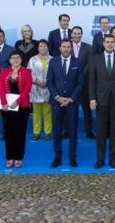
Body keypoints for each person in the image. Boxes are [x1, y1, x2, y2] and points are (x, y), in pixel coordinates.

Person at [89, 34, 115, 169]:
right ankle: (100, 160)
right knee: (100, 132)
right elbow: (91, 81)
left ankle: (113, 159)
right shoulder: (95, 59)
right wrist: (92, 98)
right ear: (103, 43)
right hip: (100, 100)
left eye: (112, 42)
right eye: (107, 42)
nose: (110, 44)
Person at [47, 39, 83, 168]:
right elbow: (49, 81)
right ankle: (57, 157)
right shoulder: (53, 61)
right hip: (57, 103)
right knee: (57, 131)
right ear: (60, 48)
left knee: (73, 131)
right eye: (64, 46)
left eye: (69, 47)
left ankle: (72, 157)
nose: (66, 49)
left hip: (72, 103)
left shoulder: (77, 62)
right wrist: (58, 97)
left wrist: (70, 99)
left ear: (71, 48)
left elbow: (80, 83)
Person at [0, 51, 33, 168]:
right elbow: (1, 88)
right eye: (13, 58)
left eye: (18, 58)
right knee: (8, 132)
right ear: (9, 60)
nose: (16, 60)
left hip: (22, 106)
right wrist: (4, 103)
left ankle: (18, 157)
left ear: (21, 59)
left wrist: (17, 102)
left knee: (20, 133)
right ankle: (9, 157)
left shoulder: (27, 72)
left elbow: (27, 89)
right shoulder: (4, 72)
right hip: (7, 107)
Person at [71, 26, 95, 139]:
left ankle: (89, 131)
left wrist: (79, 75)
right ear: (71, 34)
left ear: (81, 34)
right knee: (69, 109)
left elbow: (90, 64)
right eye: (74, 33)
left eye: (78, 33)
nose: (76, 35)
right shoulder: (66, 46)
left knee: (87, 109)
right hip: (70, 84)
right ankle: (68, 130)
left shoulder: (88, 47)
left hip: (85, 83)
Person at [27, 39, 53, 140]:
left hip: (49, 89)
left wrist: (47, 82)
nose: (43, 48)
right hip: (35, 89)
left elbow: (55, 73)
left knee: (47, 112)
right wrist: (37, 82)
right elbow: (29, 74)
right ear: (38, 48)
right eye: (40, 46)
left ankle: (48, 132)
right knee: (36, 113)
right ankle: (36, 132)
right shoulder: (32, 59)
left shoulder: (52, 59)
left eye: (45, 46)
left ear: (48, 47)